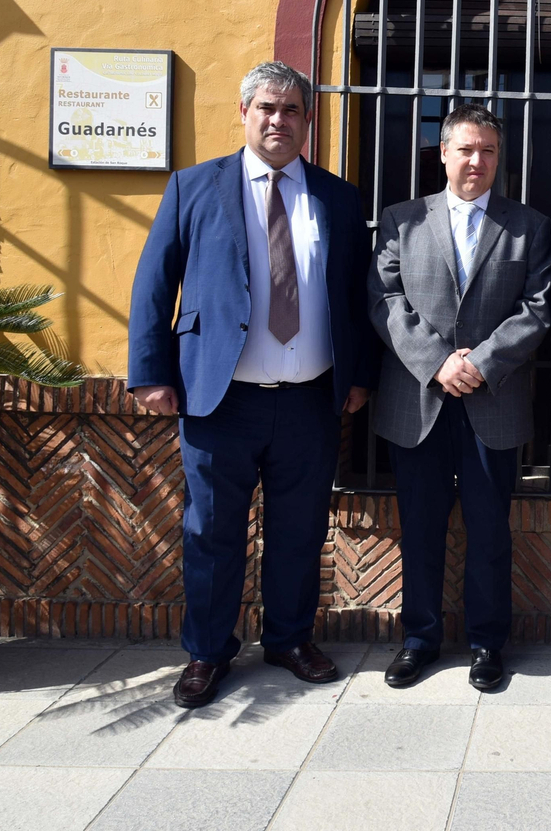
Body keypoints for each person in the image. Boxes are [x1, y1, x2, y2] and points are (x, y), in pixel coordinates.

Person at [128, 61, 375, 709]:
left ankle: (290, 638)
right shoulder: (194, 187)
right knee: (212, 530)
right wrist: (150, 372)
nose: (278, 120)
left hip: (309, 401)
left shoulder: (337, 197)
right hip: (219, 399)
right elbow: (155, 283)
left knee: (300, 529)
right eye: (266, 107)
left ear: (307, 120)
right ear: (243, 113)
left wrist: (358, 377)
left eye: (292, 110)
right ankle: (207, 651)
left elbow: (354, 296)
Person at [369, 103, 551, 691]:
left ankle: (486, 643)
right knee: (420, 528)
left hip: (491, 401)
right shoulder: (401, 219)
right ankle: (419, 640)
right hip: (416, 401)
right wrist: (437, 362)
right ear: (443, 153)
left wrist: (480, 362)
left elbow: (540, 306)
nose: (477, 160)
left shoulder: (528, 226)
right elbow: (385, 301)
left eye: (489, 151)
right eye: (466, 149)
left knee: (489, 529)